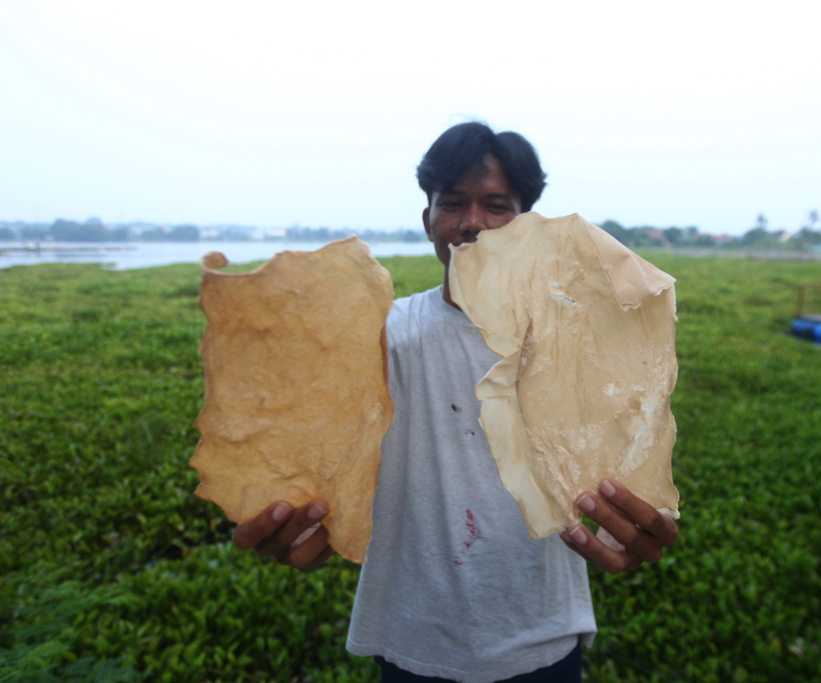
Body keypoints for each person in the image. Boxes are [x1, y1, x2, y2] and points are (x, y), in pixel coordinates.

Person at [232, 122, 679, 682]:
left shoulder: (577, 342)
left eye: (497, 206)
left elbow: (625, 470)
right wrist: (282, 512)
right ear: (428, 222)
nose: (472, 224)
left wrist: (635, 526)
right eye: (453, 204)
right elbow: (310, 462)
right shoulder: (383, 339)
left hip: (542, 636)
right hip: (412, 637)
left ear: (528, 226)